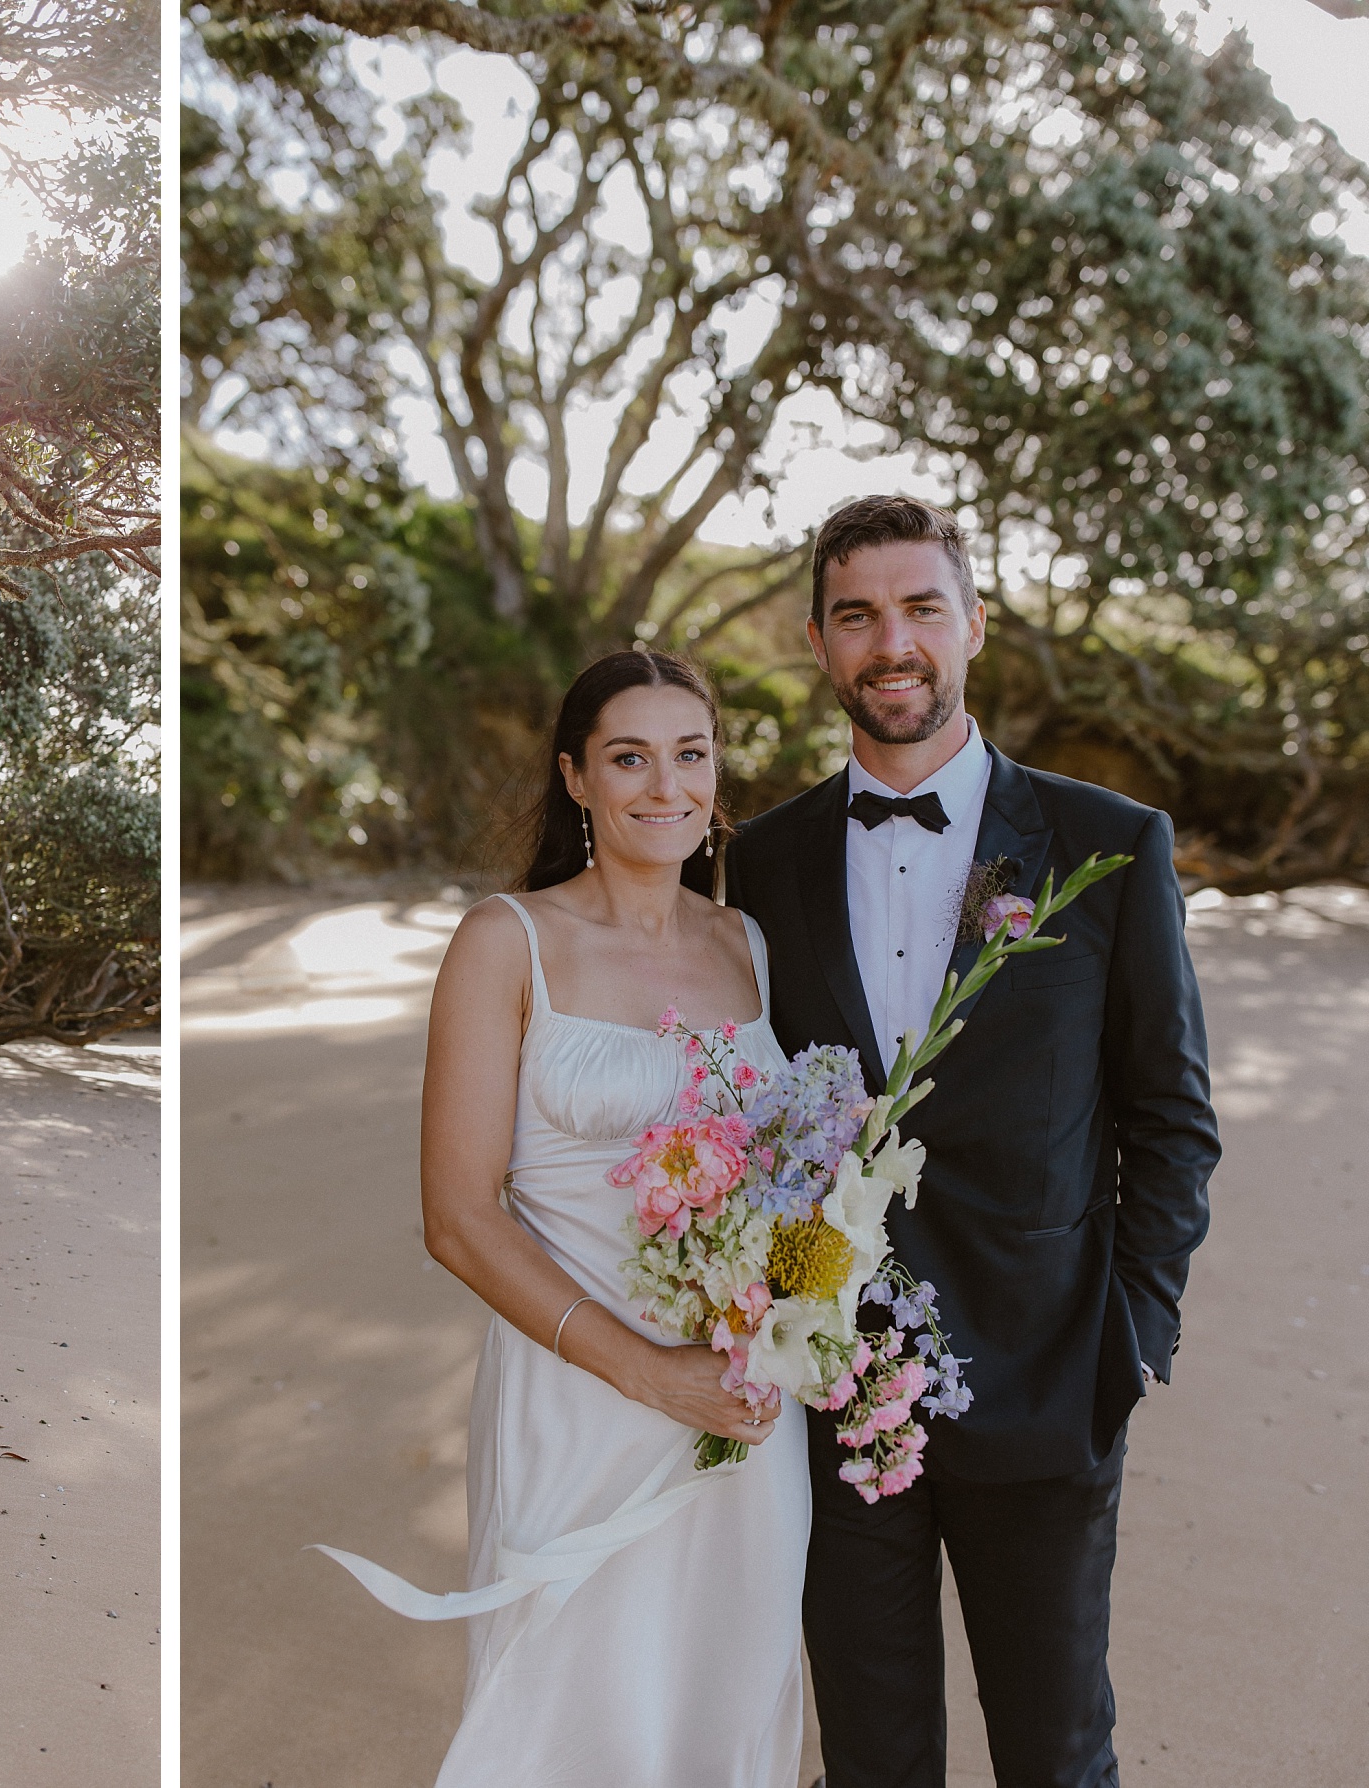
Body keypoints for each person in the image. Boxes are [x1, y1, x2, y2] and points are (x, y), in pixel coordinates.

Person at [725, 494, 1218, 1788]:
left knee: (1057, 1755)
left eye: (920, 607)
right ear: (821, 646)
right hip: (833, 1394)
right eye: (857, 615)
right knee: (873, 1762)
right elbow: (745, 1116)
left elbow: (1171, 1116)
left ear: (974, 625)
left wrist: (1132, 1338)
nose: (893, 642)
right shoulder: (758, 864)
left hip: (1051, 1384)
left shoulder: (1107, 847)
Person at [314, 649, 810, 1788]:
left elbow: (790, 1180)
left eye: (691, 755)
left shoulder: (750, 947)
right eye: (629, 758)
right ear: (576, 779)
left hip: (740, 1410)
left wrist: (792, 1322)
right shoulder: (507, 941)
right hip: (578, 1400)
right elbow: (458, 1219)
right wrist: (645, 1371)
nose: (664, 786)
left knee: (725, 1703)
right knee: (567, 1717)